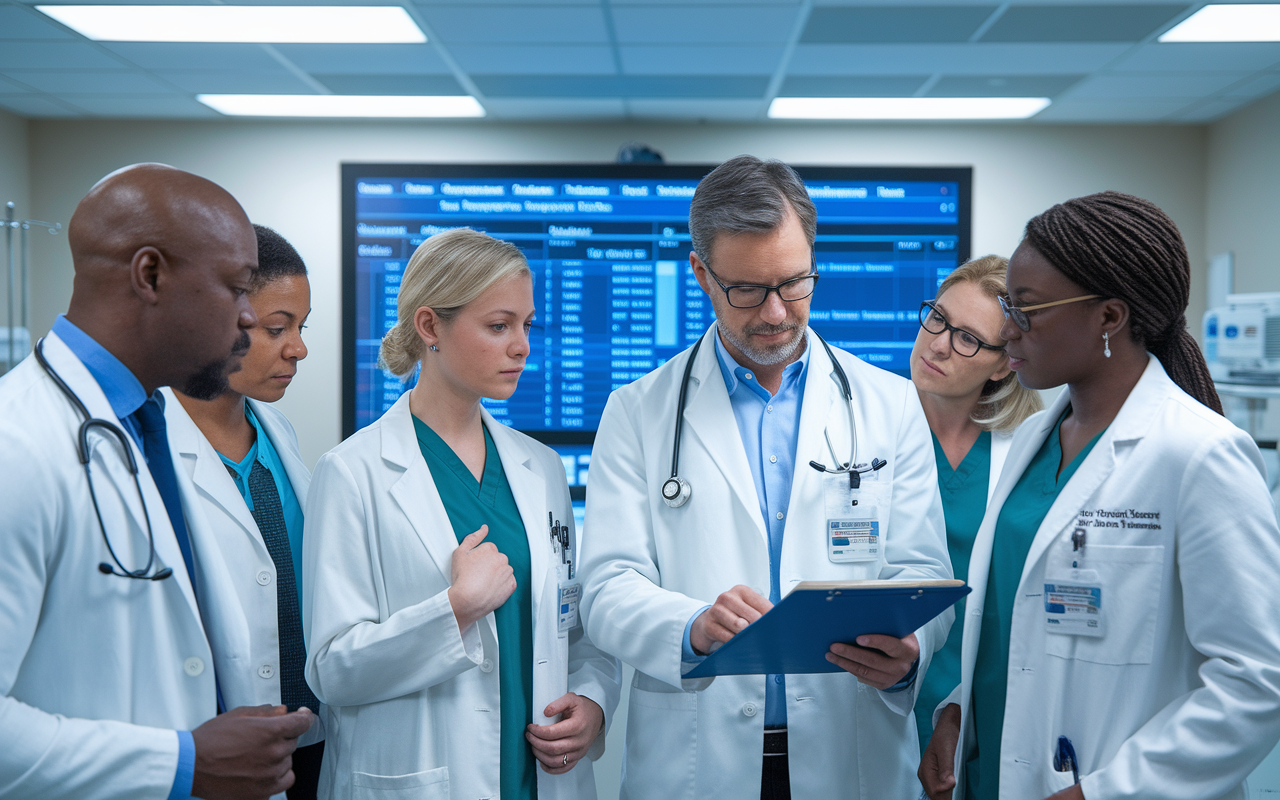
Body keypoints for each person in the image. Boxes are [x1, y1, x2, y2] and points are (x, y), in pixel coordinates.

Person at [577, 155, 953, 800]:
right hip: (697, 760)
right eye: (748, 290)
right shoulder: (639, 411)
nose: (777, 312)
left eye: (795, 283)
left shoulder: (889, 404)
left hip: (849, 751)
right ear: (700, 273)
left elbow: (922, 572)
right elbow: (606, 588)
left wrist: (908, 649)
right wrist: (691, 625)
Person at [919, 191, 1280, 800]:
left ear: (1109, 318)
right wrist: (955, 713)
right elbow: (1014, 624)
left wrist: (1108, 793)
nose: (1007, 330)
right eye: (1010, 305)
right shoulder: (1034, 438)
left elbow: (1257, 681)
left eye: (1027, 310)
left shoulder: (1198, 453)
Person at [0, 164, 314, 800]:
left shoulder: (141, 426)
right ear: (150, 276)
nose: (249, 317)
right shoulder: (18, 446)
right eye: (234, 288)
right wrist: (180, 763)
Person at [302, 227, 620, 800]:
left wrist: (593, 702)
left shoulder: (541, 467)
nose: (521, 345)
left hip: (542, 776)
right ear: (430, 328)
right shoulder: (353, 472)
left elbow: (574, 626)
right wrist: (456, 609)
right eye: (499, 326)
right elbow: (332, 669)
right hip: (421, 778)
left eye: (527, 325)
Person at [163, 224, 324, 800]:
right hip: (210, 749)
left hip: (310, 740)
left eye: (302, 328)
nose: (298, 348)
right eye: (277, 328)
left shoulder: (276, 431)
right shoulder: (148, 448)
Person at [909, 255, 1043, 754]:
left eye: (967, 338)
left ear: (1002, 363)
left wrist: (961, 707)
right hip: (871, 694)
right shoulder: (858, 433)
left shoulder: (1025, 453)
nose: (938, 343)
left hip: (977, 705)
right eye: (938, 318)